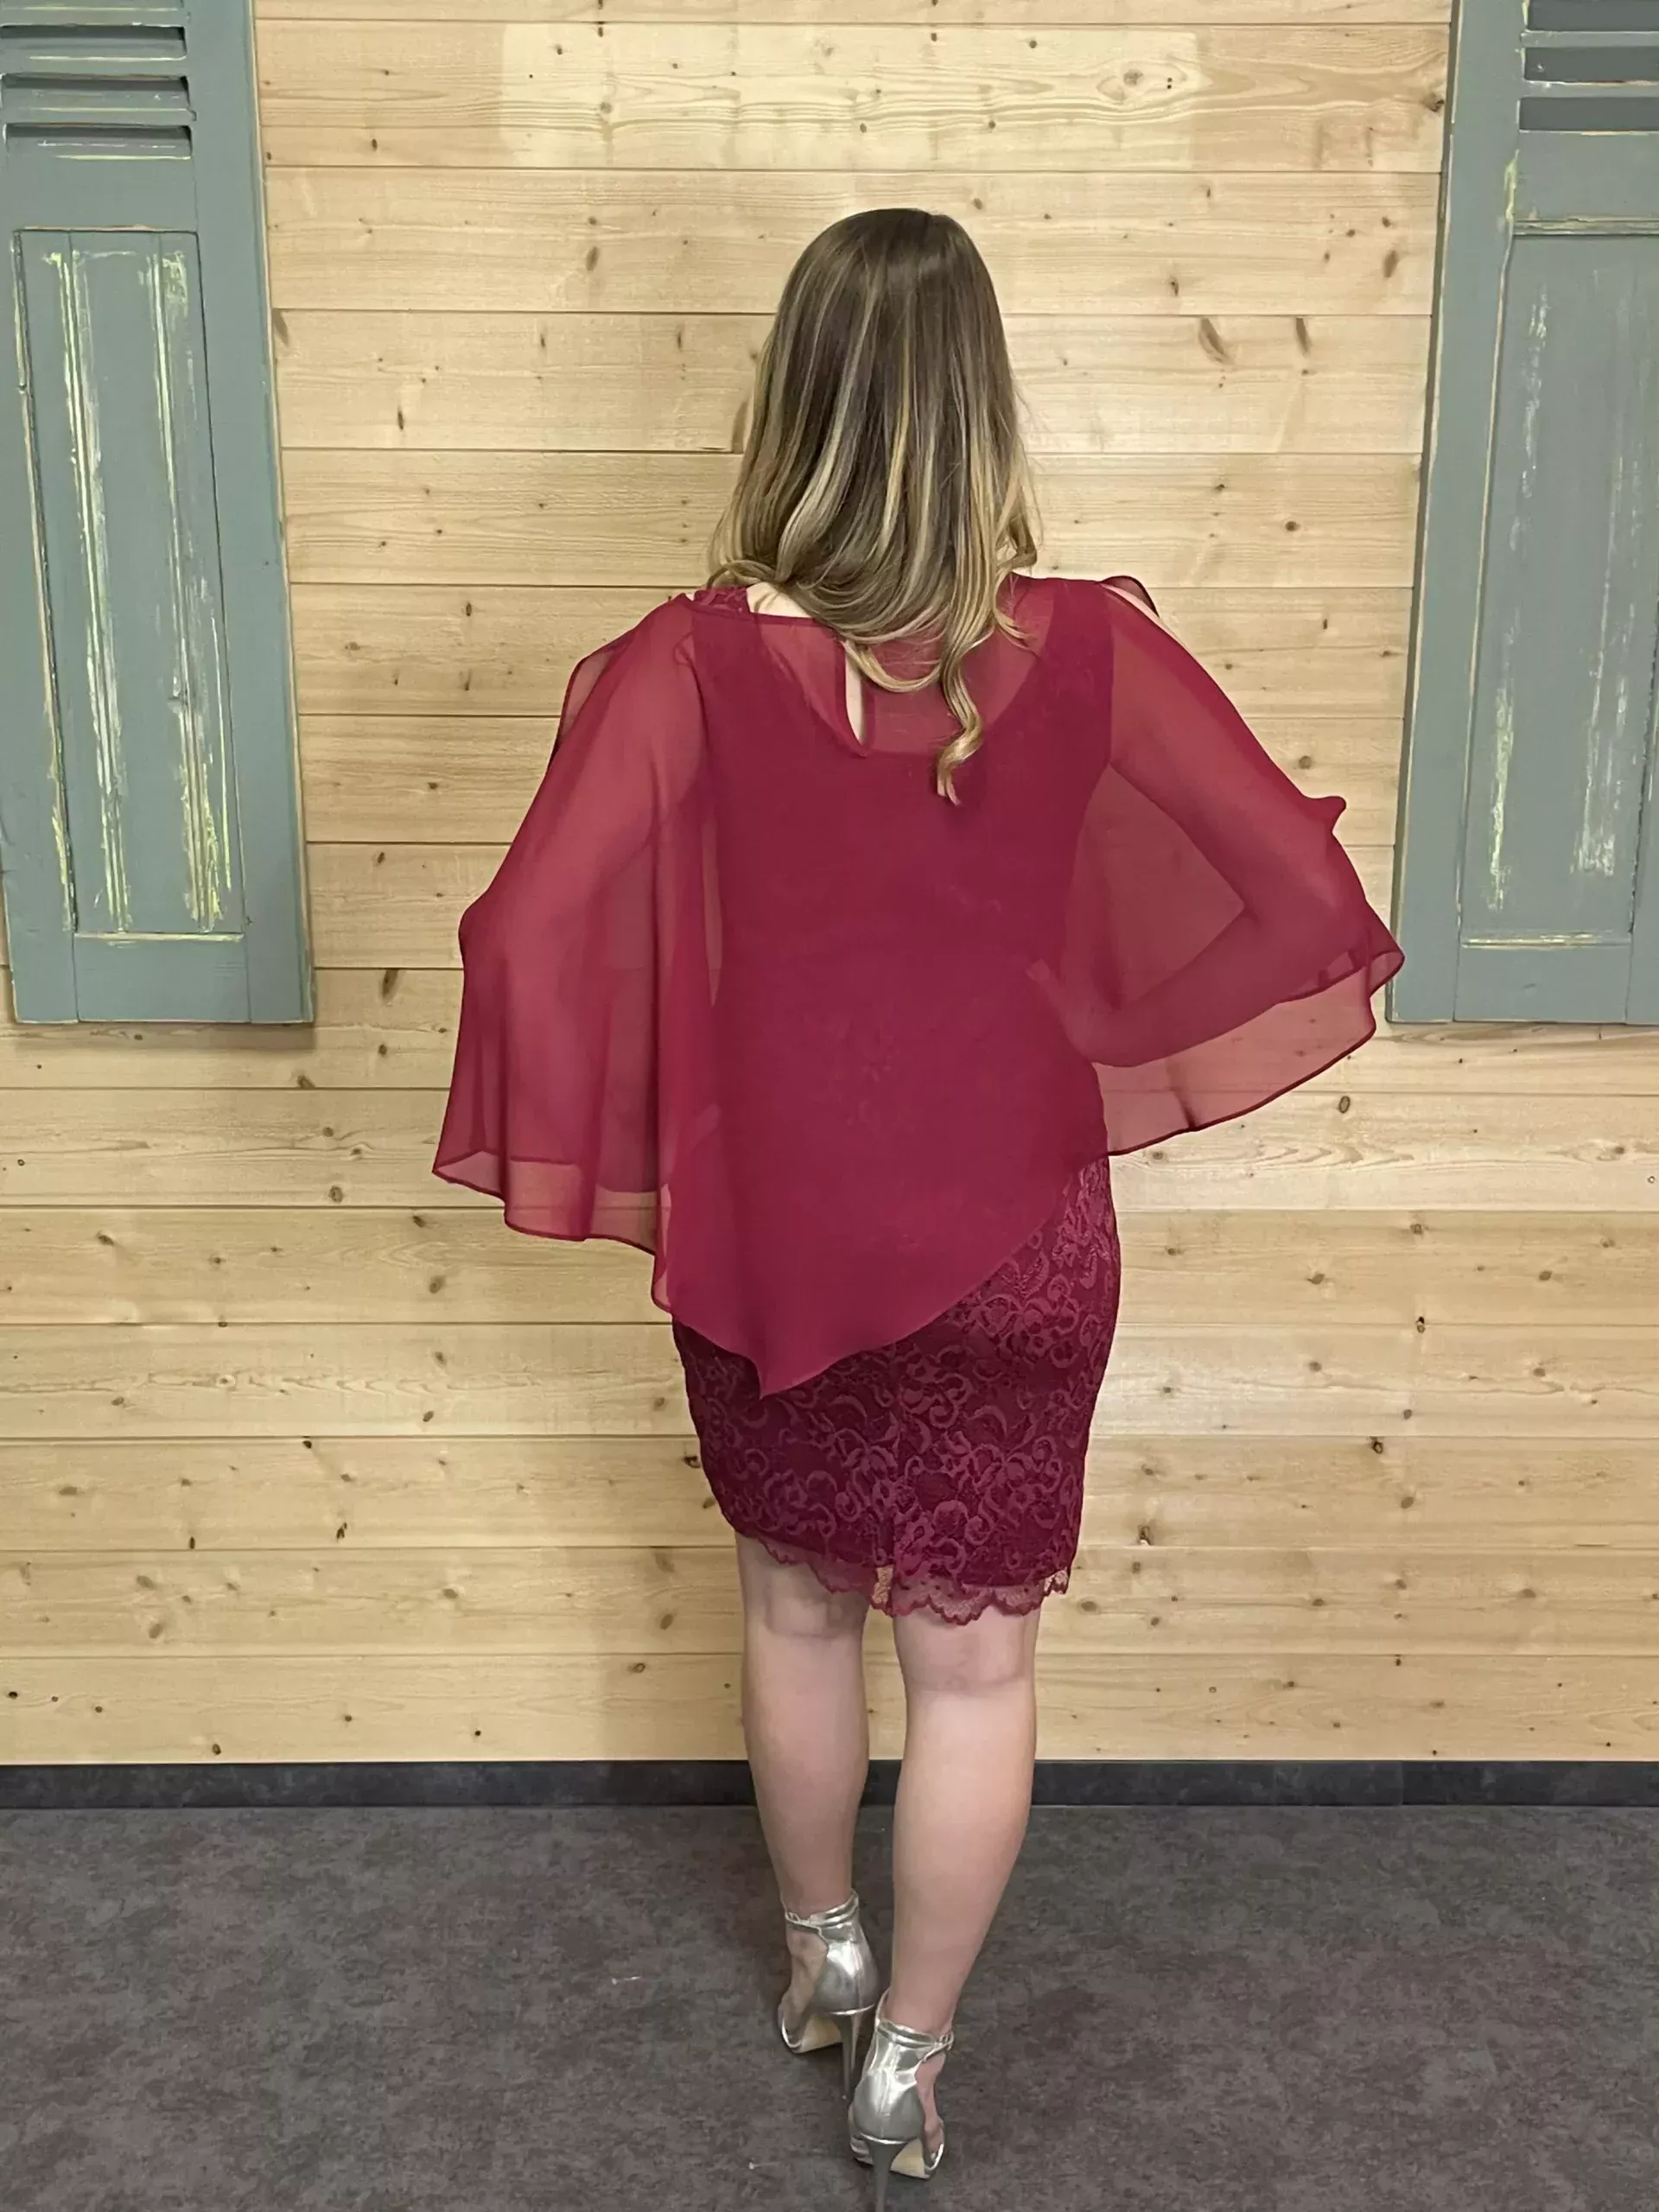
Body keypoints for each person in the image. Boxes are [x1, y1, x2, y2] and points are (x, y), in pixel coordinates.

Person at [433, 207, 1402, 2203]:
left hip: (780, 1229)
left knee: (796, 1604)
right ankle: (910, 2065)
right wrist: (1078, 1034)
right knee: (979, 1667)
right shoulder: (1097, 647)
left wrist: (669, 1115)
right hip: (1021, 1238)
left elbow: (520, 935)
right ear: (985, 414)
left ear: (790, 407)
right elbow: (1310, 907)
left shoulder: (683, 666)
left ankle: (826, 1961)